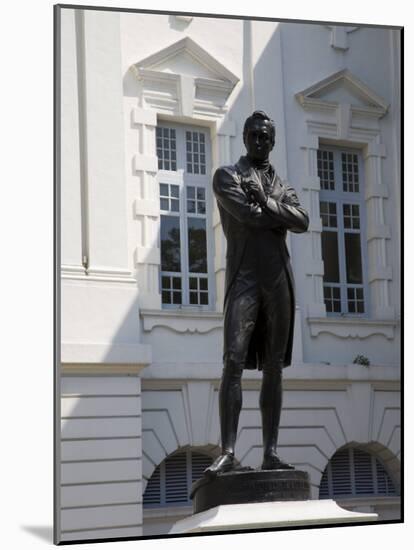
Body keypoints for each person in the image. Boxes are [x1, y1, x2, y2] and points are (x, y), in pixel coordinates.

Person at [205, 111, 309, 475]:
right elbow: (249, 216)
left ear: (273, 142)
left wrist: (266, 202)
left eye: (266, 137)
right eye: (254, 135)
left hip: (279, 280)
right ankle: (229, 451)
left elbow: (303, 221)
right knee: (233, 361)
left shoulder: (279, 184)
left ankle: (270, 452)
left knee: (274, 369)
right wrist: (277, 215)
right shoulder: (227, 176)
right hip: (244, 279)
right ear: (245, 137)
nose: (260, 141)